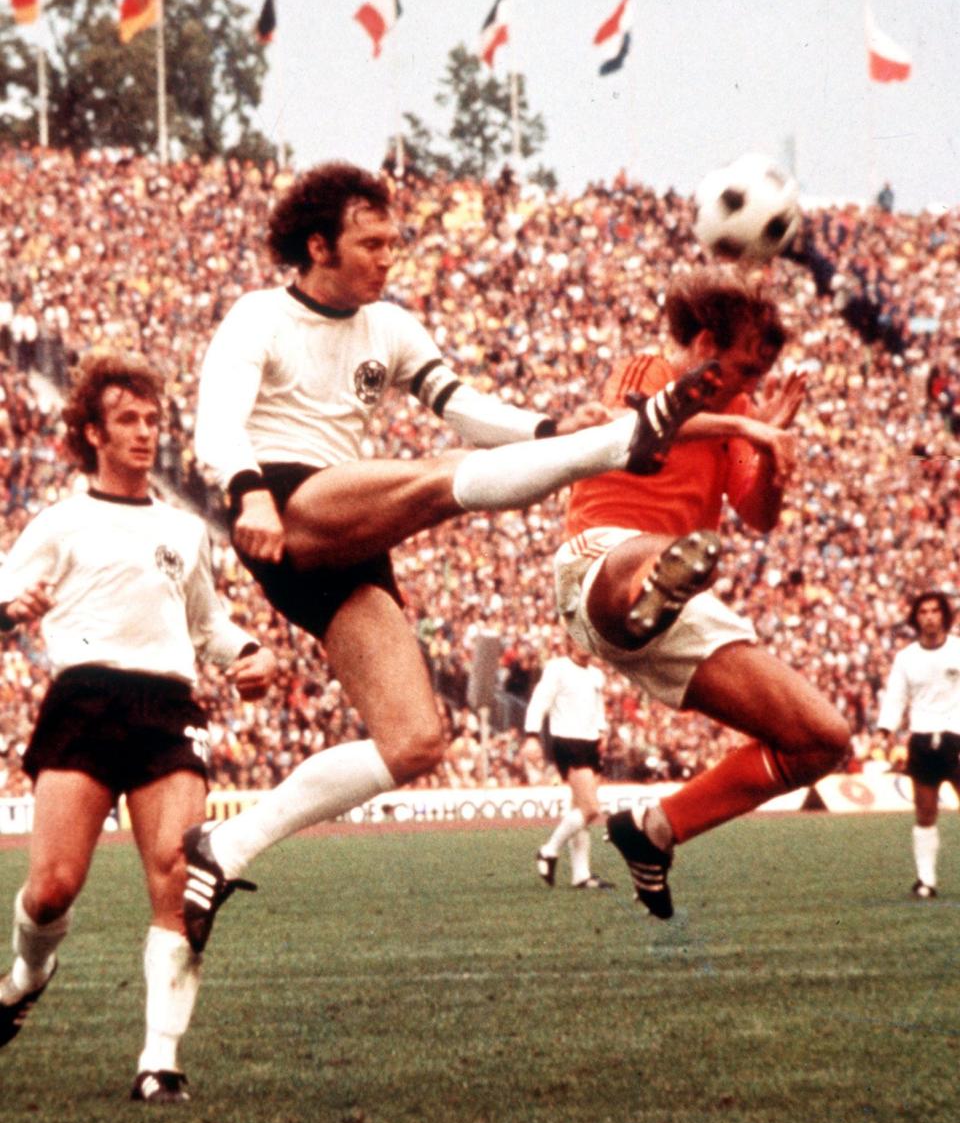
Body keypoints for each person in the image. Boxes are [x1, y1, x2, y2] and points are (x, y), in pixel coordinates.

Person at [182, 160, 720, 952]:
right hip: (286, 501)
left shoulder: (390, 327)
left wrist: (546, 427)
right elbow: (216, 423)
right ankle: (620, 443)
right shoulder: (258, 317)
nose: (389, 257)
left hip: (352, 531)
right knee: (436, 479)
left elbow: (463, 409)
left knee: (415, 741)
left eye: (394, 242)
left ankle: (222, 849)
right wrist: (247, 492)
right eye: (372, 243)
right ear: (318, 244)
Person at [0, 353, 276, 1101]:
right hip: (83, 701)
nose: (145, 433)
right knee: (53, 888)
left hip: (166, 708)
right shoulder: (58, 523)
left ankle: (160, 1062)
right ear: (90, 431)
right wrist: (8, 612)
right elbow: (3, 597)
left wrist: (247, 655)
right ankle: (25, 977)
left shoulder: (185, 532)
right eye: (127, 419)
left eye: (153, 420)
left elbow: (209, 627)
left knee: (176, 876)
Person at [550, 266, 850, 918]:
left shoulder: (740, 414)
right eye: (745, 369)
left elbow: (760, 516)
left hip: (685, 597)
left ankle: (654, 830)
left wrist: (771, 451)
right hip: (597, 561)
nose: (752, 388)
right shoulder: (646, 370)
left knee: (823, 739)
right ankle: (651, 587)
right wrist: (748, 429)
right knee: (659, 559)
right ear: (706, 341)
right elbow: (639, 431)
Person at [876, 590, 960, 899]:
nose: (929, 617)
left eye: (934, 611)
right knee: (925, 814)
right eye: (923, 612)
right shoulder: (906, 658)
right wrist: (885, 730)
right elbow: (896, 697)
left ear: (944, 616)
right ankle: (926, 881)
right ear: (916, 618)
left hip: (956, 737)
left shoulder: (957, 650)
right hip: (923, 740)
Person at [523, 641, 614, 890]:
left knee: (579, 810)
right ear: (570, 642)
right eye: (580, 639)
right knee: (591, 808)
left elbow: (597, 709)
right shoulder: (558, 668)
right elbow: (539, 702)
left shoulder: (596, 675)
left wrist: (601, 732)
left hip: (590, 743)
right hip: (567, 742)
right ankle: (549, 850)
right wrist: (531, 735)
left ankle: (580, 875)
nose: (586, 645)